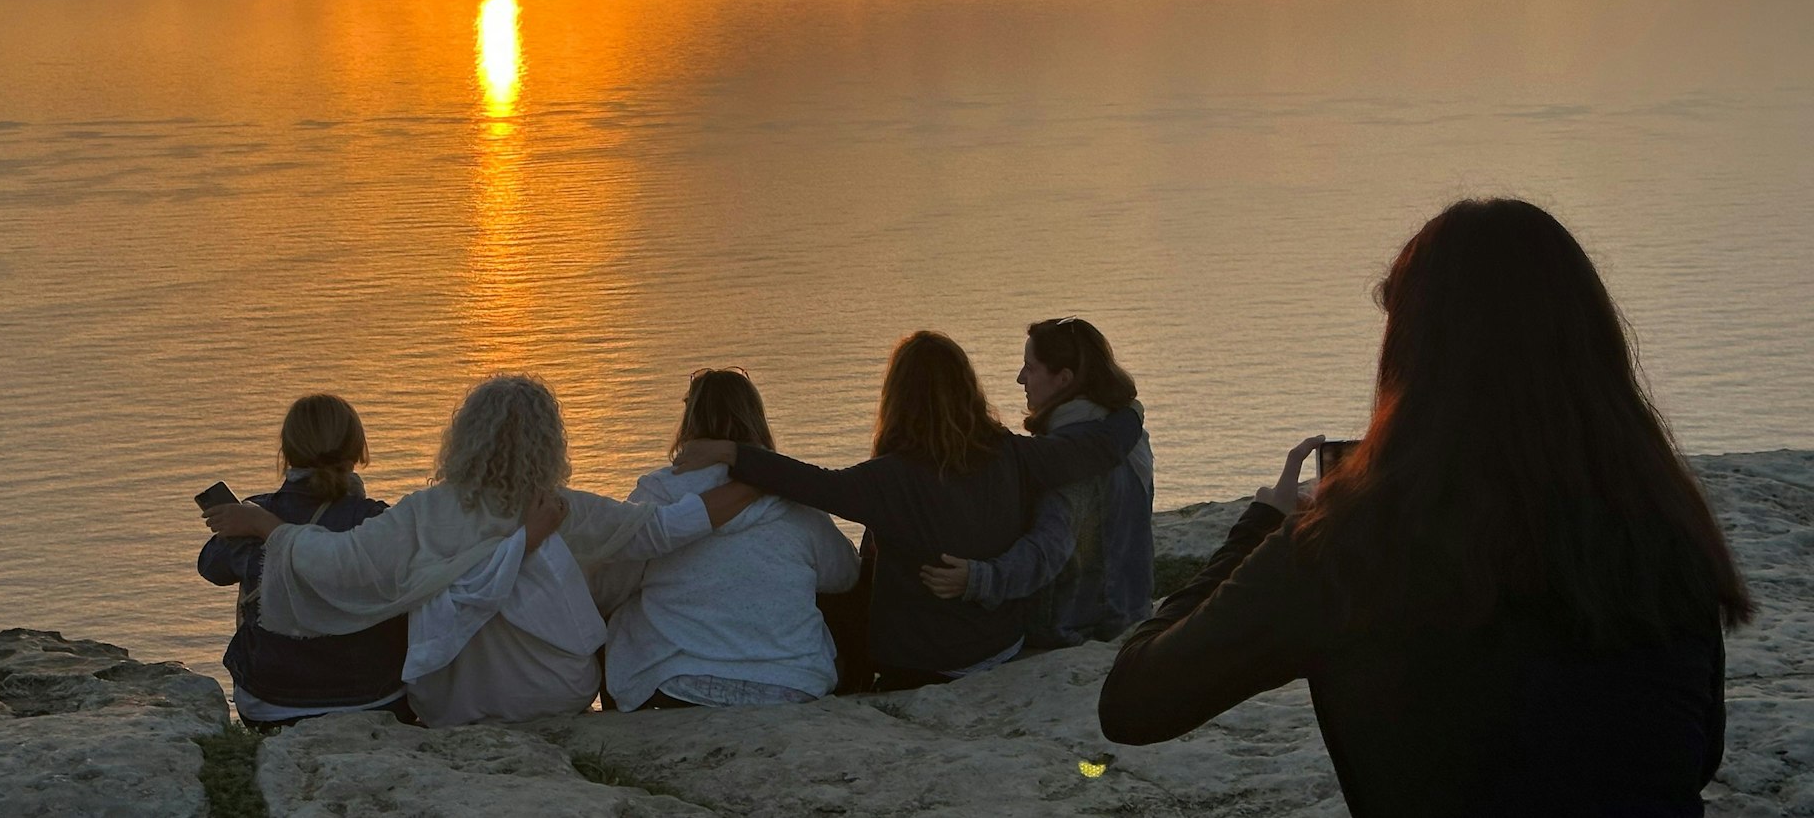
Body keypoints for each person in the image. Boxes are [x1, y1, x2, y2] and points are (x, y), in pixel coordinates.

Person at [1099, 198, 1751, 817]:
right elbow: (1696, 755)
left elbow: (1133, 702)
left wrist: (1263, 527)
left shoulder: (1347, 551)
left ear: (1410, 356)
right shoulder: (1661, 526)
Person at [203, 374, 760, 726]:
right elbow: (667, 528)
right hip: (556, 695)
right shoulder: (563, 508)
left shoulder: (425, 512)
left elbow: (338, 565)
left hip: (451, 701)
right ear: (549, 442)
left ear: (465, 437)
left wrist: (268, 526)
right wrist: (760, 476)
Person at [675, 331, 1145, 691]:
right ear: (967, 387)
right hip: (1000, 645)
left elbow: (815, 484)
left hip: (921, 663)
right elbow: (1096, 448)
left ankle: (829, 682)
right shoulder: (1012, 452)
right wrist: (1129, 412)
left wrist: (733, 452)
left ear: (897, 396)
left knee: (835, 582)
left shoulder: (891, 478)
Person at [598, 368, 861, 710]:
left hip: (676, 680)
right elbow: (845, 576)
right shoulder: (793, 497)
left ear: (689, 423)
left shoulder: (658, 494)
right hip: (791, 682)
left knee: (621, 595)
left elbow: (612, 584)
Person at [918, 317, 1155, 647]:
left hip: (1077, 625)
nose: (1020, 378)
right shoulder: (1129, 437)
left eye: (1030, 368)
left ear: (1064, 379)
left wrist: (978, 580)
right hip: (1131, 607)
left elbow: (1048, 549)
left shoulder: (1070, 462)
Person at [195, 394, 411, 728]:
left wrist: (243, 529)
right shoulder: (378, 521)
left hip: (270, 704)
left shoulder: (252, 515)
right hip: (374, 699)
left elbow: (211, 568)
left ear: (287, 453)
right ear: (357, 450)